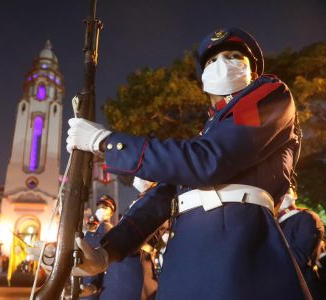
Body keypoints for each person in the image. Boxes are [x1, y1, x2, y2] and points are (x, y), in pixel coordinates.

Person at [67, 27, 312, 299]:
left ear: (252, 71)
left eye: (233, 56)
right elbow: (163, 195)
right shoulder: (207, 132)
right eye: (212, 61)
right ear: (204, 78)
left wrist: (107, 142)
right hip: (184, 258)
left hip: (237, 251)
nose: (222, 64)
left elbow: (210, 159)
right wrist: (106, 252)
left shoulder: (269, 96)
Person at [276, 188, 325, 299]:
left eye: (287, 191)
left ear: (295, 195)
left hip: (302, 287)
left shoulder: (307, 217)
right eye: (279, 192)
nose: (283, 196)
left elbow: (299, 257)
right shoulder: (273, 223)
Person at [80, 195, 116, 299]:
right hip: (87, 275)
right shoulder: (99, 229)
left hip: (94, 278)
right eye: (99, 208)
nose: (100, 210)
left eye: (104, 208)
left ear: (111, 212)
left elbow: (97, 246)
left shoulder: (106, 228)